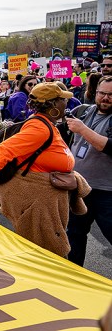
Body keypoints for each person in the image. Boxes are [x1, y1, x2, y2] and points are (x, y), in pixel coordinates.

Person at [0, 82, 86, 258]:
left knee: (46, 252)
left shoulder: (47, 124)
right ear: (53, 105)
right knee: (47, 254)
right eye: (62, 99)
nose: (66, 103)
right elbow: (4, 150)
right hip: (38, 201)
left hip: (46, 199)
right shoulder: (39, 128)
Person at [65, 75, 112, 266]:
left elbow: (109, 147)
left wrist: (83, 129)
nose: (105, 98)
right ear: (95, 92)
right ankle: (74, 281)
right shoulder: (84, 111)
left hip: (107, 192)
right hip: (80, 188)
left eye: (111, 95)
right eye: (102, 93)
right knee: (74, 236)